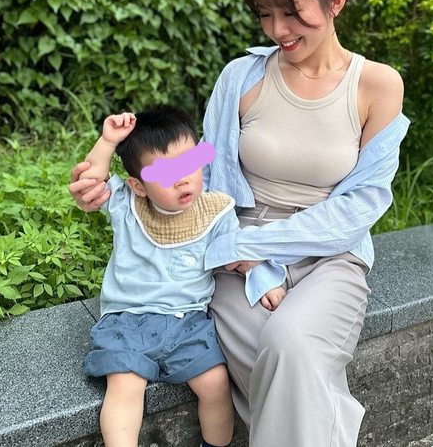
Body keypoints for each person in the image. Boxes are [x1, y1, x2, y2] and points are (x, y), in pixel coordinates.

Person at [70, 0, 409, 447]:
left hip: (328, 254)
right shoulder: (242, 77)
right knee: (274, 362)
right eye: (265, 14)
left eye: (292, 13)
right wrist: (124, 184)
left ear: (336, 1)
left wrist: (258, 247)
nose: (278, 30)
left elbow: (364, 201)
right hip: (233, 252)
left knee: (292, 345)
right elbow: (204, 160)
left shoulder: (377, 85)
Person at [77, 105, 286, 447]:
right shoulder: (127, 204)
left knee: (216, 383)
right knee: (125, 386)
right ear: (139, 186)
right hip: (128, 320)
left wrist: (263, 278)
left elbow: (236, 251)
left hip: (188, 322)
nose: (182, 179)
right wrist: (108, 141)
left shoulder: (215, 210)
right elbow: (90, 181)